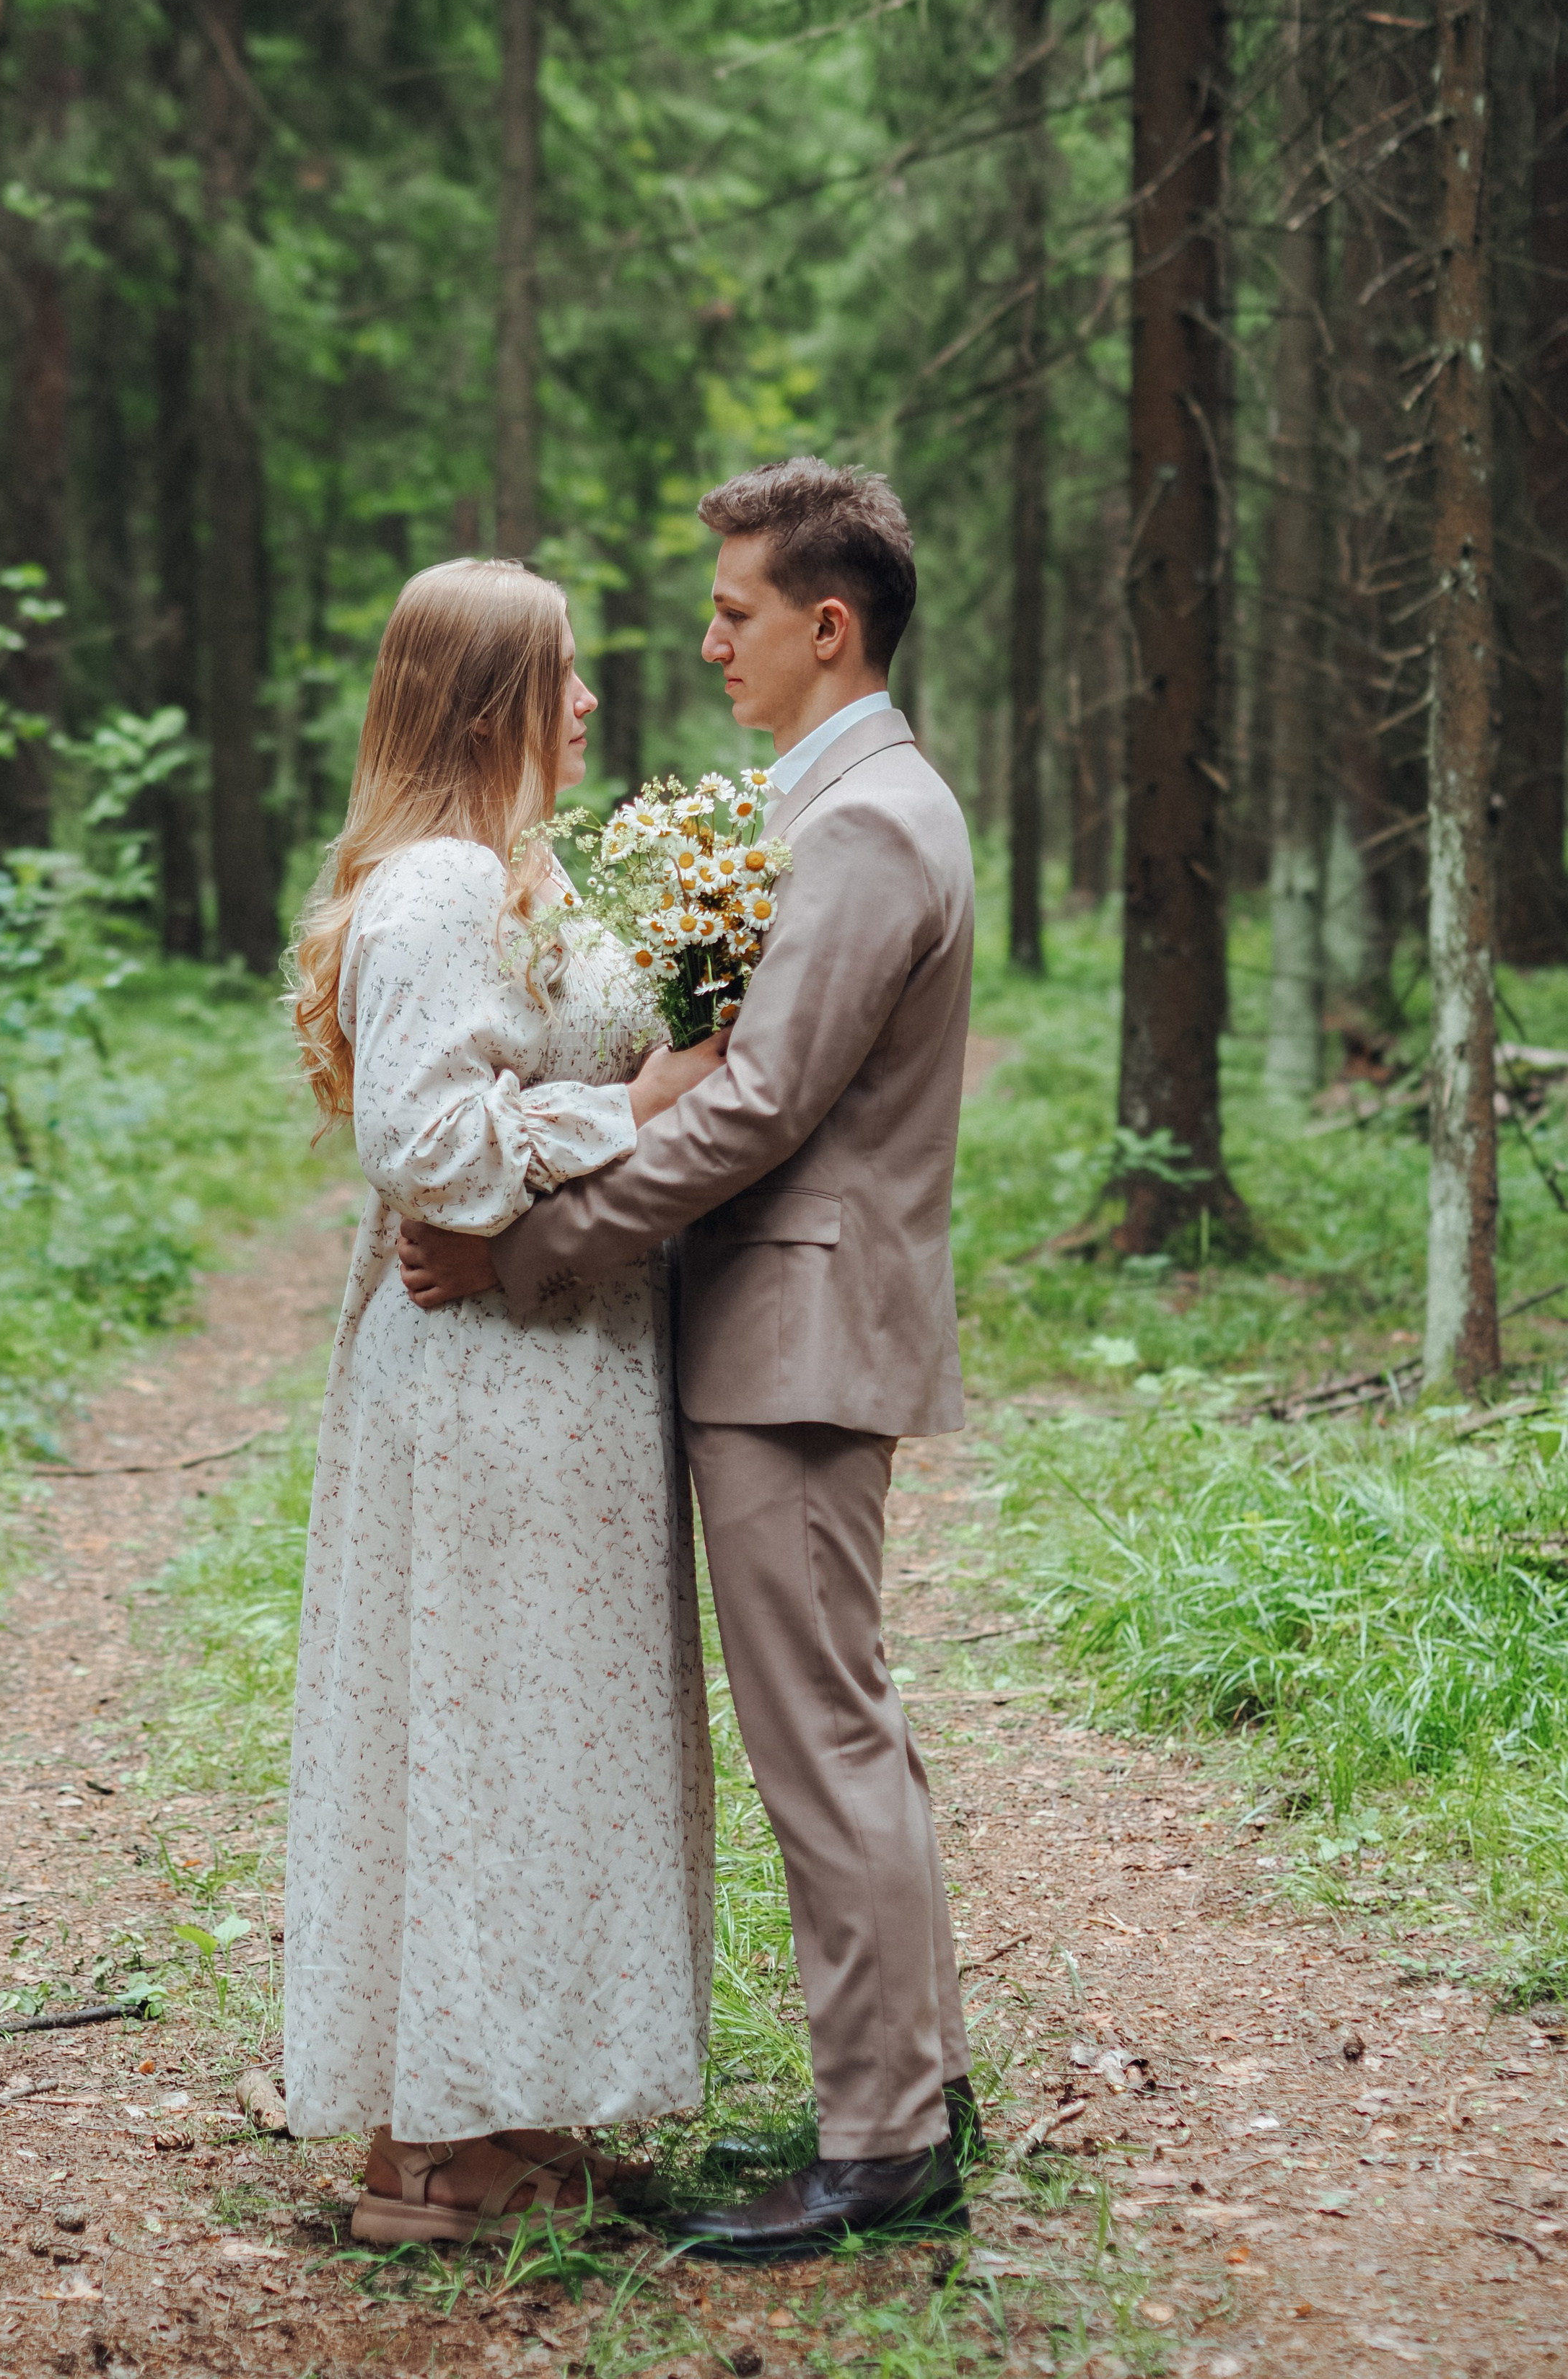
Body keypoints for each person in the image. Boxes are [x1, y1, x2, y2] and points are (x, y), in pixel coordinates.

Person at [398, 459, 982, 2259]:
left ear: (830, 627)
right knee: (836, 1726)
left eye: (735, 613)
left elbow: (755, 1106)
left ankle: (882, 2141)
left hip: (797, 1336)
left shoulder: (869, 824)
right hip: (776, 1334)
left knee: (820, 1735)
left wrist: (532, 1251)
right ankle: (908, 2087)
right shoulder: (829, 809)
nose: (705, 638)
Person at [283, 557, 724, 2244]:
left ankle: (496, 2115)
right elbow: (433, 1150)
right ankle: (453, 2161)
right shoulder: (442, 890)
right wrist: (635, 1107)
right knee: (484, 1735)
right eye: (564, 677)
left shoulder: (509, 874)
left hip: (549, 1375)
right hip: (489, 1386)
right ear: (488, 702)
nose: (593, 703)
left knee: (537, 1737)